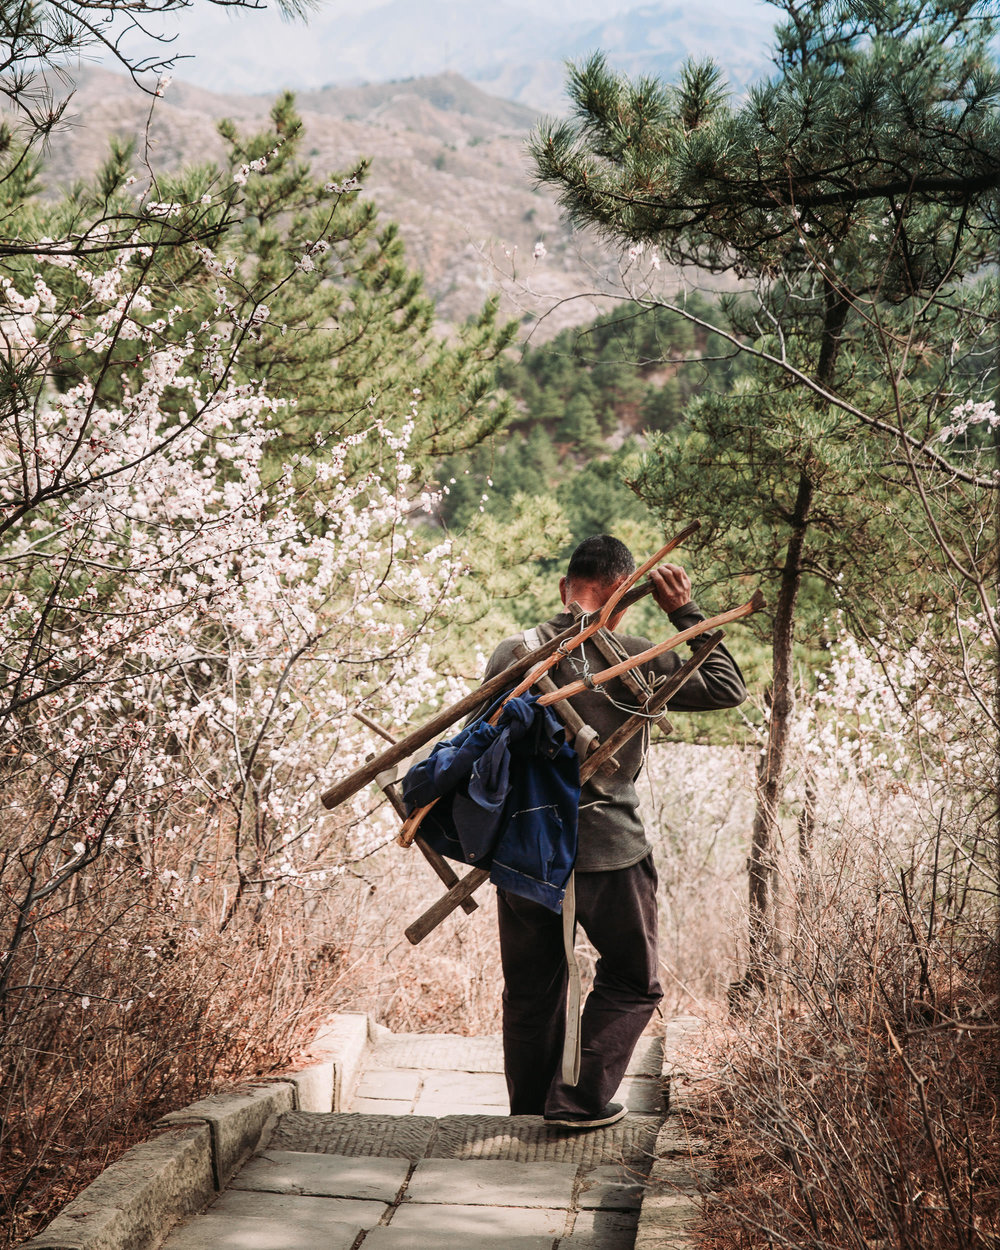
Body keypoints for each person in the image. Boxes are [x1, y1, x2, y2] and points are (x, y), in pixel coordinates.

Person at [480, 534, 747, 1129]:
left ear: (563, 588)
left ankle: (529, 1108)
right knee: (632, 978)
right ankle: (574, 1103)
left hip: (524, 850)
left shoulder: (509, 654)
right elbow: (728, 689)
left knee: (532, 985)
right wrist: (685, 613)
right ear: (626, 595)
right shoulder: (636, 657)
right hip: (609, 849)